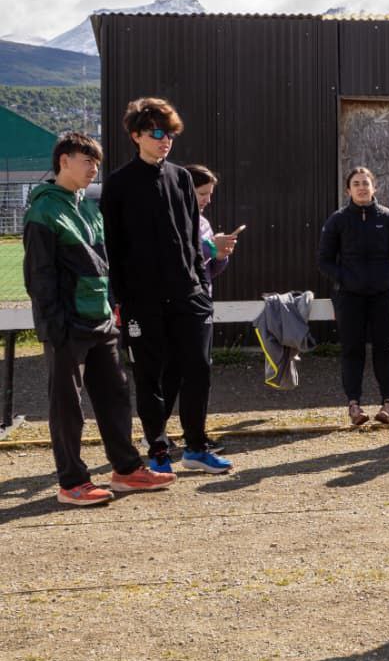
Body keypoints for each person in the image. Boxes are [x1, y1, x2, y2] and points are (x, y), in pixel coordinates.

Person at [23, 132, 176, 504]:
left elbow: (103, 265)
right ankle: (72, 483)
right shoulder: (44, 209)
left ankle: (126, 470)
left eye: (97, 162)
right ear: (64, 161)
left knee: (116, 396)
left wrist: (111, 309)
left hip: (102, 321)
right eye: (87, 161)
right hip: (67, 326)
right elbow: (39, 276)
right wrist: (54, 325)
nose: (94, 169)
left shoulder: (89, 207)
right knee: (67, 407)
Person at [100, 98, 230, 474]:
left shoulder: (181, 178)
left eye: (170, 133)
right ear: (136, 135)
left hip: (189, 294)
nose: (165, 140)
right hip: (142, 300)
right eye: (156, 133)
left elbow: (191, 237)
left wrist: (198, 282)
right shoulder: (119, 184)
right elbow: (112, 246)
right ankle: (158, 450)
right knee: (150, 376)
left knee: (198, 369)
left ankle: (196, 447)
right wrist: (121, 299)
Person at [318, 167, 389, 426]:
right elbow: (324, 260)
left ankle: (388, 404)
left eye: (365, 183)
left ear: (374, 187)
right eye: (356, 184)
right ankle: (354, 405)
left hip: (384, 295)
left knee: (386, 348)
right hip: (350, 296)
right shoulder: (337, 221)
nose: (361, 188)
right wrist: (344, 278)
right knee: (352, 349)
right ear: (348, 190)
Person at [157, 164, 241, 454]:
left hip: (201, 301)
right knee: (174, 371)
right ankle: (159, 433)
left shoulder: (202, 222)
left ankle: (193, 435)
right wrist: (209, 248)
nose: (207, 199)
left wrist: (221, 255)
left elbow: (207, 270)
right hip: (176, 305)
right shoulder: (170, 218)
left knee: (196, 371)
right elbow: (176, 258)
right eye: (202, 193)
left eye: (210, 193)